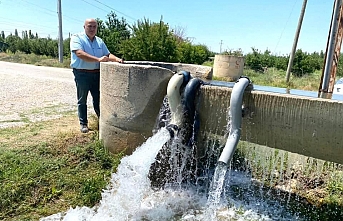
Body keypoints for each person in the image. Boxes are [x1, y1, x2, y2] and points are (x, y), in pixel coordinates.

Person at [70, 18, 124, 133]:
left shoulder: (99, 41)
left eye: (94, 26)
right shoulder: (77, 38)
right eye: (89, 26)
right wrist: (98, 59)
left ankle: (102, 121)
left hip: (97, 73)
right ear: (84, 27)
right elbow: (79, 53)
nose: (92, 29)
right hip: (82, 73)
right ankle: (83, 124)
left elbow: (108, 54)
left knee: (98, 98)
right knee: (82, 99)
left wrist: (117, 59)